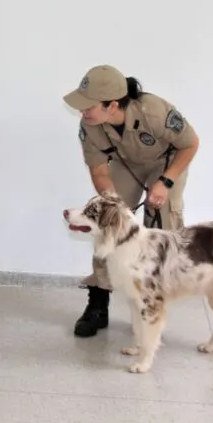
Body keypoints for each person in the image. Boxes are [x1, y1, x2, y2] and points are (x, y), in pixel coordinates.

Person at [63, 64, 200, 337]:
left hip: (167, 162)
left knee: (165, 224)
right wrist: (115, 207)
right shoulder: (89, 125)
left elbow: (190, 143)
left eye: (88, 106)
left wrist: (166, 182)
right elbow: (99, 170)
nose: (82, 111)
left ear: (112, 105)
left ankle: (150, 302)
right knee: (108, 224)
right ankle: (98, 303)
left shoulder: (155, 111)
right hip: (126, 164)